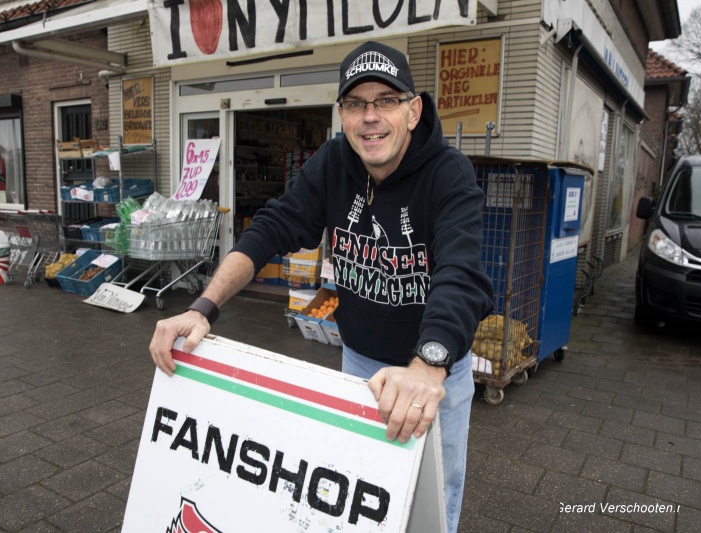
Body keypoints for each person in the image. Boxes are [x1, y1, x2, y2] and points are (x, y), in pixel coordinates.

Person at [150, 40, 494, 532]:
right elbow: (272, 227)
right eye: (356, 104)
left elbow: (461, 274)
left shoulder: (448, 174)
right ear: (341, 115)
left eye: (386, 101)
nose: (370, 117)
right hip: (357, 361)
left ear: (414, 111)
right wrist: (203, 306)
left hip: (432, 371)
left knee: (437, 495)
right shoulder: (333, 163)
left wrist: (429, 364)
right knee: (360, 488)